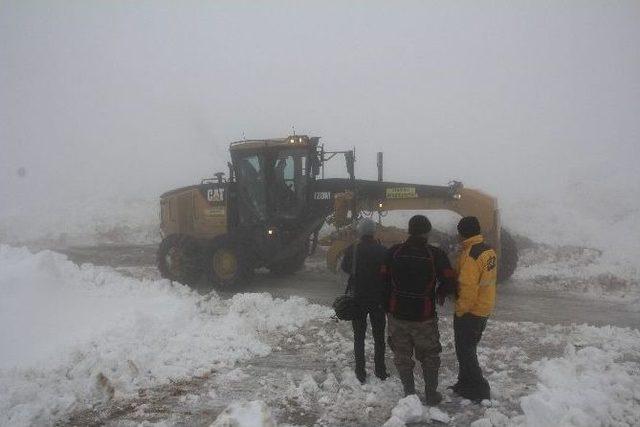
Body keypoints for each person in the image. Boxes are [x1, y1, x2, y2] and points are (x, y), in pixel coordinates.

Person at [385, 215, 456, 405]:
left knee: (402, 357)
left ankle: (409, 394)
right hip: (424, 316)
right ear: (427, 231)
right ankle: (431, 394)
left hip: (397, 314)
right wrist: (442, 290)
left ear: (409, 230)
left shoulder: (394, 252)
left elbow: (382, 278)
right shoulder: (435, 254)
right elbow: (449, 279)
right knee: (430, 356)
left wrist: (387, 304)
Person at [452, 216, 497, 402]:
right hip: (484, 308)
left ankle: (479, 388)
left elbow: (469, 288)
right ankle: (464, 383)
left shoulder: (471, 255)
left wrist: (461, 310)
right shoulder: (488, 251)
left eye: (458, 232)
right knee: (467, 348)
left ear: (463, 233)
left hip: (471, 312)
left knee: (466, 350)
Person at [340, 218, 389, 384]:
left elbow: (345, 268)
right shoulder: (383, 250)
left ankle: (360, 372)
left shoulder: (352, 250)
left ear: (360, 232)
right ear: (374, 232)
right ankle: (380, 371)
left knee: (359, 336)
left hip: (358, 298)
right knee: (379, 336)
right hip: (378, 298)